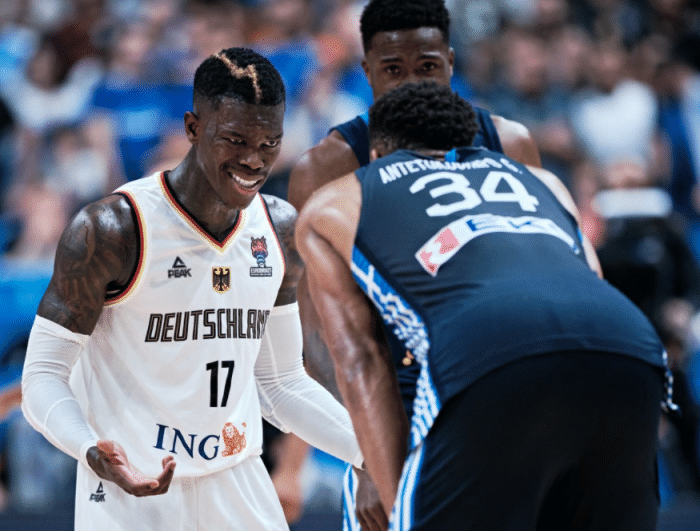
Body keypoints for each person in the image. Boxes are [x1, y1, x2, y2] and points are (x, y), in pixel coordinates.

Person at [296, 81, 671, 530]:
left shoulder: (338, 199)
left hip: (486, 349)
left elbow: (360, 359)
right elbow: (592, 282)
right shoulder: (544, 182)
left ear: (376, 154)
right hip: (629, 345)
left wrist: (397, 504)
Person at [20, 47, 363, 531]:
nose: (253, 160)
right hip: (129, 488)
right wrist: (89, 448)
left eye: (269, 144)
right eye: (235, 140)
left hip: (238, 479)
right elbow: (43, 376)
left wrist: (374, 454)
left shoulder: (277, 229)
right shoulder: (113, 229)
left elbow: (282, 384)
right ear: (193, 127)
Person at [287, 1, 541, 528]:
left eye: (426, 67)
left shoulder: (510, 144)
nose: (410, 84)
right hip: (390, 388)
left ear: (451, 62)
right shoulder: (327, 167)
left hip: (498, 380)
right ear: (367, 71)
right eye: (392, 69)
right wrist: (366, 455)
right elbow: (317, 340)